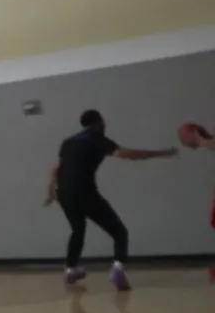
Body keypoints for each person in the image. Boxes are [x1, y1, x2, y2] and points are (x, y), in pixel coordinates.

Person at [43, 109, 177, 290]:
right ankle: (118, 270)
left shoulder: (69, 141)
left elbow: (57, 169)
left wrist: (50, 191)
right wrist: (159, 153)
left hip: (64, 193)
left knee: (77, 229)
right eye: (103, 121)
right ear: (98, 122)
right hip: (84, 192)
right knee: (119, 232)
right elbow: (125, 154)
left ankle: (70, 269)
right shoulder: (97, 138)